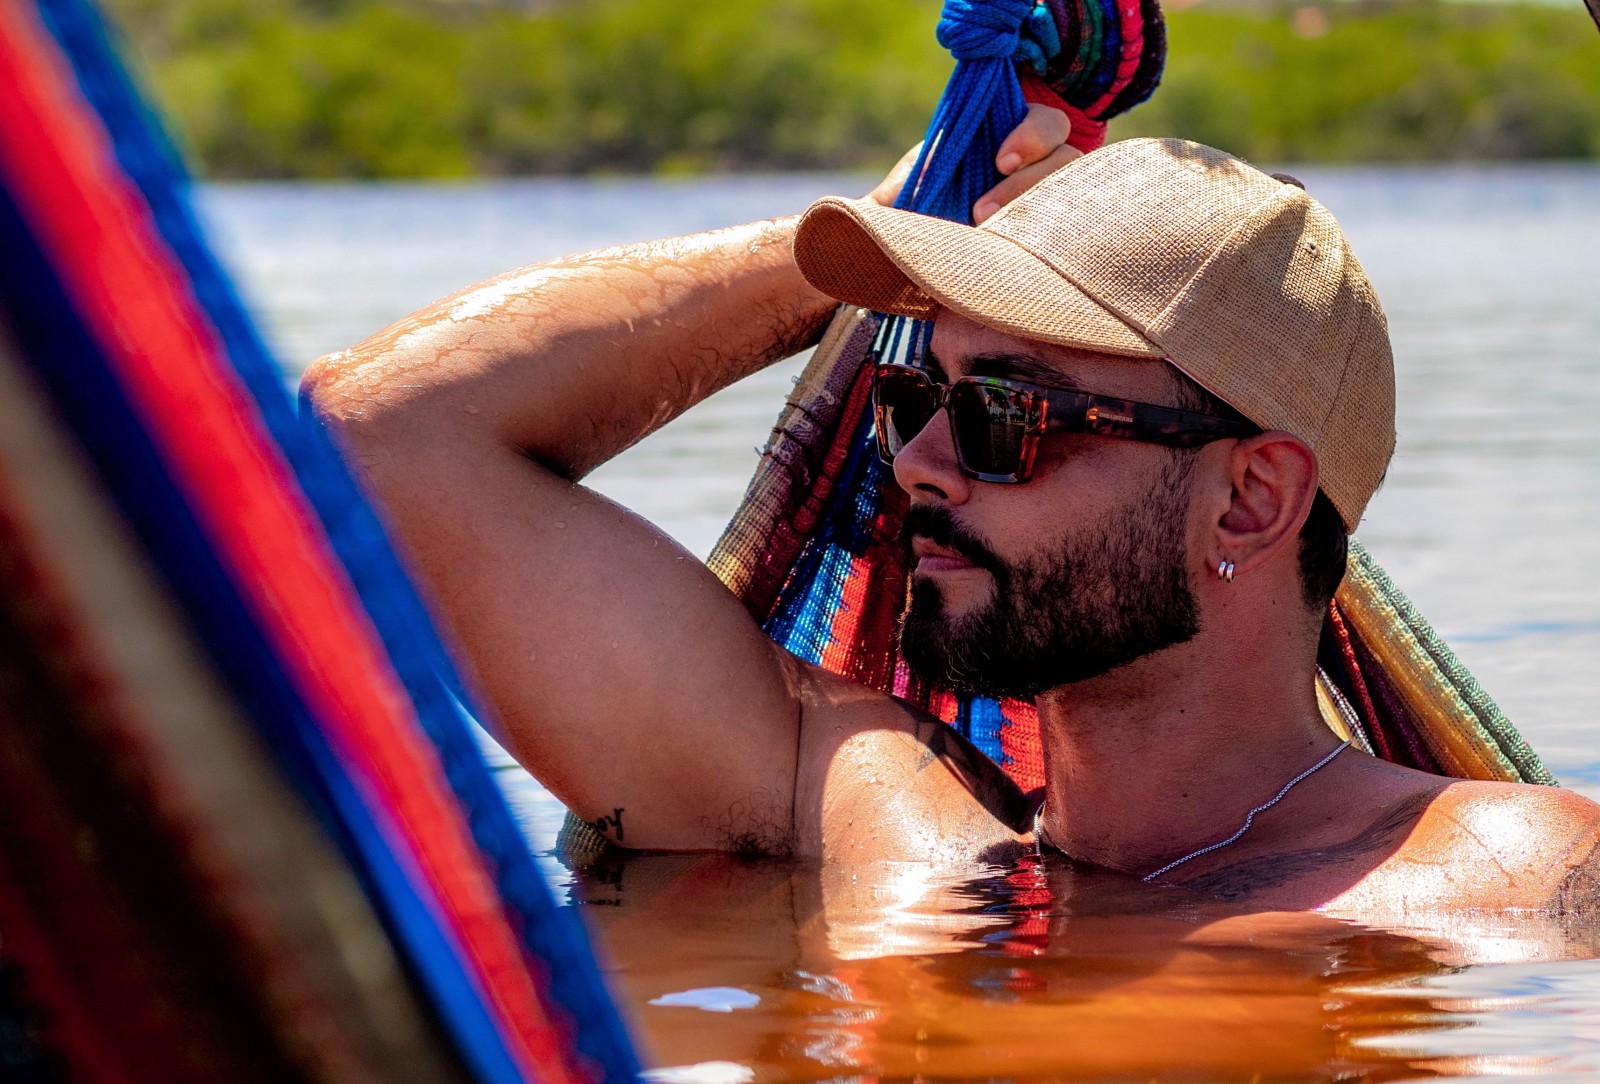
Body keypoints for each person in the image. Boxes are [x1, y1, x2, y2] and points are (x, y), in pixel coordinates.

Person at [302, 118, 1600, 914]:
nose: (918, 462)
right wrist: (898, 224)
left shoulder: (1522, 884)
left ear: (1252, 498)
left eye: (1006, 418)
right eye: (912, 393)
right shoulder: (875, 822)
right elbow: (377, 442)